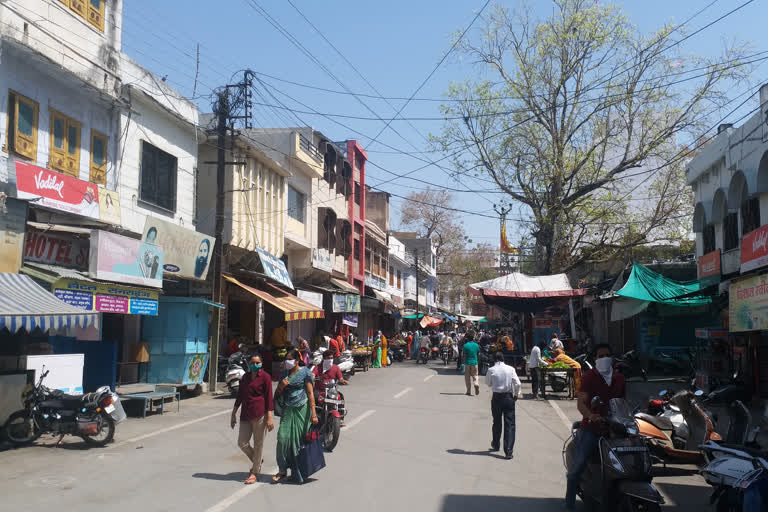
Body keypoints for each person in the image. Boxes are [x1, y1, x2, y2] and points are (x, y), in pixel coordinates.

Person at [565, 344, 626, 510]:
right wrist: (591, 415)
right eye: (601, 356)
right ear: (595, 359)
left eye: (607, 355)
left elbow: (622, 403)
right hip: (591, 428)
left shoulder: (619, 378)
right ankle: (569, 505)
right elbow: (581, 403)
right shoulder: (589, 377)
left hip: (614, 428)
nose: (604, 358)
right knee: (577, 469)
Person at [273, 349, 318, 484]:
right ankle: (282, 470)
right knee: (282, 438)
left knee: (298, 442)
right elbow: (278, 394)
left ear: (297, 360)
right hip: (288, 410)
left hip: (302, 410)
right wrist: (281, 386)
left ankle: (297, 472)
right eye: (285, 359)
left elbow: (310, 393)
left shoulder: (305, 373)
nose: (287, 362)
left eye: (289, 359)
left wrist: (314, 414)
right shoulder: (284, 374)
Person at [231, 355, 274, 484]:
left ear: (261, 363)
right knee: (242, 442)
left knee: (258, 443)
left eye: (257, 362)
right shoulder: (245, 377)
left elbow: (269, 398)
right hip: (245, 414)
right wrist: (233, 413)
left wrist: (270, 417)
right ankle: (257, 460)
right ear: (249, 364)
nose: (255, 364)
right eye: (252, 362)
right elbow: (240, 396)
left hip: (260, 415)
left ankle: (255, 472)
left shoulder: (265, 377)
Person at [485, 351, 521, 459]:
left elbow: (488, 383)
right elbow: (518, 383)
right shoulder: (511, 369)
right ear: (503, 359)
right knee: (509, 424)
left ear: (494, 359)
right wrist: (516, 394)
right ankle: (508, 451)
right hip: (508, 397)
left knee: (496, 421)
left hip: (496, 398)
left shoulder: (491, 370)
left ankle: (496, 444)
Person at [462, 332, 480, 396]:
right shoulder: (476, 345)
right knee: (475, 375)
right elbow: (478, 354)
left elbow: (463, 355)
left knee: (467, 377)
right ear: (473, 338)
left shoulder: (465, 345)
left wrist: (463, 363)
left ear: (467, 338)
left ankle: (468, 391)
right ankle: (476, 383)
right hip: (474, 362)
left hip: (467, 363)